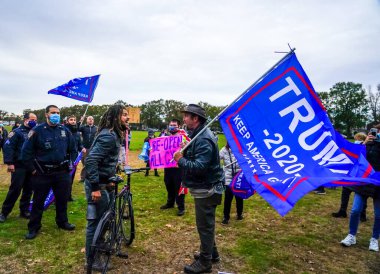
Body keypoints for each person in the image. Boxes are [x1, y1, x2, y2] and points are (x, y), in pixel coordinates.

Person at [174, 104, 225, 274]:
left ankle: (205, 262)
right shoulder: (198, 134)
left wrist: (180, 159)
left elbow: (199, 167)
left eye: (187, 116)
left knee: (204, 226)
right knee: (206, 225)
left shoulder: (203, 138)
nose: (184, 119)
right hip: (206, 187)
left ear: (195, 119)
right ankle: (213, 254)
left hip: (208, 189)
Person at [21, 105, 77, 240]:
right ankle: (34, 227)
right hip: (42, 173)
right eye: (53, 113)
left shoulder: (64, 130)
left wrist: (70, 164)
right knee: (38, 201)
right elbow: (25, 153)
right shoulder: (37, 131)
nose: (56, 115)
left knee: (62, 199)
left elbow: (73, 150)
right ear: (46, 114)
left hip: (62, 173)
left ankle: (62, 222)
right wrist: (33, 170)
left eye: (58, 113)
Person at [84, 104, 129, 267]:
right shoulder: (108, 136)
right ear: (115, 117)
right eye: (124, 115)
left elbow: (105, 160)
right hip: (97, 186)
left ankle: (101, 246)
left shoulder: (114, 134)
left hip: (105, 182)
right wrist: (95, 187)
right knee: (95, 223)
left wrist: (111, 176)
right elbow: (91, 160)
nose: (127, 117)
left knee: (106, 219)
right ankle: (92, 260)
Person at [340, 129, 380, 252]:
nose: (376, 134)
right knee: (355, 210)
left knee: (378, 215)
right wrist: (365, 143)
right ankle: (351, 235)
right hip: (364, 182)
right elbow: (357, 158)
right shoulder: (367, 144)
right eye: (376, 132)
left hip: (378, 185)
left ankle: (374, 239)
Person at [0, 113, 37, 223]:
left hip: (31, 166)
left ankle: (24, 210)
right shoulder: (16, 132)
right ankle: (4, 212)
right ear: (25, 120)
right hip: (19, 165)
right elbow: (8, 147)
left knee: (28, 189)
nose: (34, 121)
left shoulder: (35, 132)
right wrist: (10, 163)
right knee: (15, 189)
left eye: (35, 120)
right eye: (32, 119)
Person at [332, 132, 368, 220]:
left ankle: (362, 214)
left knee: (361, 195)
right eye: (355, 139)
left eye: (358, 139)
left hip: (360, 175)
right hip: (351, 174)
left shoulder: (366, 148)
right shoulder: (354, 147)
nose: (356, 141)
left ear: (362, 139)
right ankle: (342, 210)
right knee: (345, 192)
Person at [161, 119, 186, 216]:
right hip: (168, 166)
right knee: (168, 184)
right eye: (170, 125)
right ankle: (170, 202)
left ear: (178, 126)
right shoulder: (165, 138)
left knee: (178, 186)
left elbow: (190, 147)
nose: (172, 126)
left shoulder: (183, 137)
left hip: (178, 167)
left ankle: (181, 207)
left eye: (174, 125)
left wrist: (185, 145)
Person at [219, 142, 243, 225]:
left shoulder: (239, 149)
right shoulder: (223, 150)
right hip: (228, 178)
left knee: (239, 197)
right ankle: (226, 217)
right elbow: (217, 159)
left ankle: (239, 214)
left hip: (238, 177)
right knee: (228, 199)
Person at [66, 115, 84, 201]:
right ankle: (57, 197)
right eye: (71, 120)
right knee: (63, 180)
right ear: (67, 121)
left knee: (71, 178)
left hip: (74, 160)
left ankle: (68, 195)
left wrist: (82, 148)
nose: (73, 121)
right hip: (64, 159)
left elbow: (79, 145)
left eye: (74, 120)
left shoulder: (77, 133)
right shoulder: (64, 131)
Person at [79, 116, 98, 182]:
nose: (91, 120)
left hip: (93, 148)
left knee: (92, 163)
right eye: (89, 119)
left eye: (92, 119)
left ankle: (90, 177)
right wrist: (81, 121)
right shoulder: (83, 127)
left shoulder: (96, 128)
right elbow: (77, 128)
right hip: (84, 148)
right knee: (84, 163)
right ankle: (83, 178)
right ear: (86, 120)